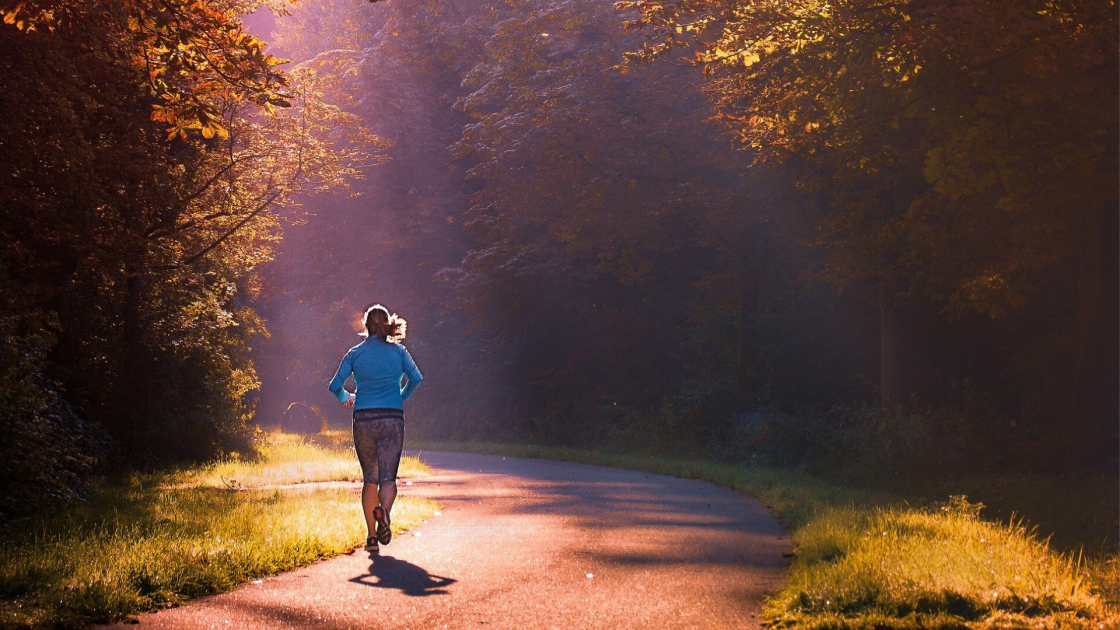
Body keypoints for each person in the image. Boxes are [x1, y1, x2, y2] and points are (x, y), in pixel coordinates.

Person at [328, 304, 423, 553]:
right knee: (388, 477)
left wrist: (346, 396)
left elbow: (334, 385)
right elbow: (416, 378)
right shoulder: (399, 352)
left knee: (370, 478)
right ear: (387, 325)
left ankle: (371, 538)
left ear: (365, 325)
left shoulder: (355, 354)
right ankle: (385, 513)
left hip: (364, 418)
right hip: (392, 417)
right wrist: (401, 395)